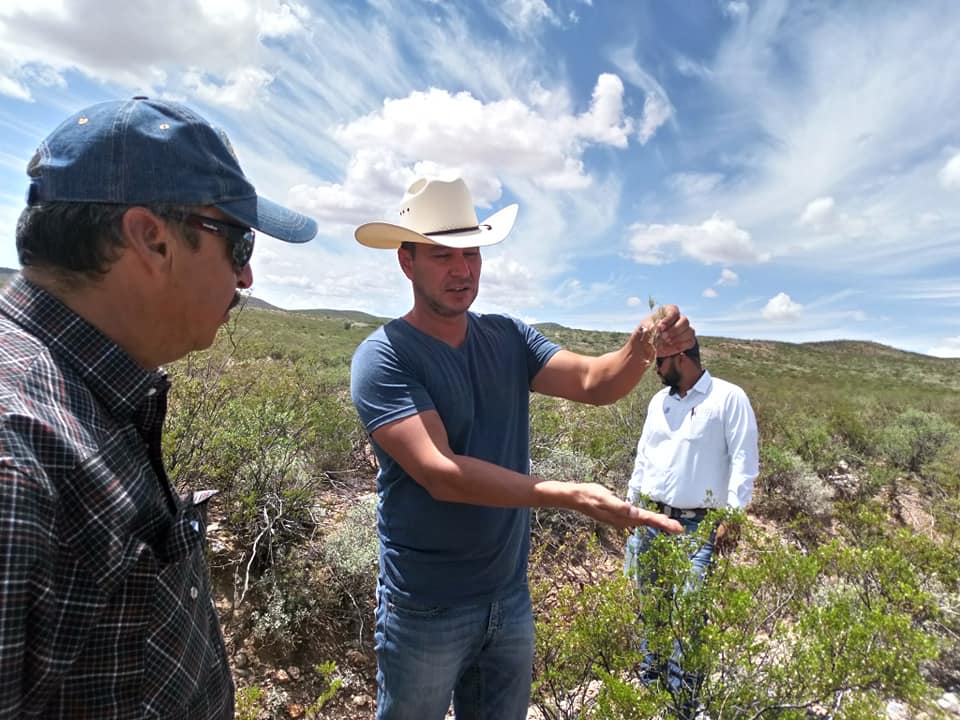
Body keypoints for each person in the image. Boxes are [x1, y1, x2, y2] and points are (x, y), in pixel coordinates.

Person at [0, 97, 317, 718]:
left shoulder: (84, 394)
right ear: (152, 239)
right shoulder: (18, 454)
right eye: (239, 242)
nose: (247, 279)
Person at [350, 174, 695, 720]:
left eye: (472, 254)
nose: (463, 270)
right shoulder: (385, 357)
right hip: (425, 605)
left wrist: (640, 345)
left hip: (507, 596)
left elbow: (592, 382)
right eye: (442, 255)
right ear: (406, 262)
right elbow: (442, 472)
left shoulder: (507, 336)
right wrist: (572, 495)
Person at [622, 335, 759, 711]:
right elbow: (644, 455)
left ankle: (683, 702)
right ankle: (651, 689)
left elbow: (744, 462)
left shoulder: (728, 398)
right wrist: (631, 506)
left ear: (681, 358)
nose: (656, 370)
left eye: (660, 363)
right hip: (651, 518)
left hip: (697, 527)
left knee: (687, 613)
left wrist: (732, 516)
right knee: (651, 606)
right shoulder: (658, 403)